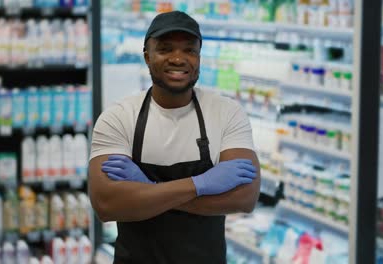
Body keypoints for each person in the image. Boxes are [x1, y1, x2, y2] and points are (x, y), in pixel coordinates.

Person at [88, 10, 261, 264]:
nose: (178, 59)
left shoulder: (226, 113)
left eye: (189, 50)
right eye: (165, 49)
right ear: (147, 56)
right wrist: (200, 185)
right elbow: (106, 205)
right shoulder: (119, 117)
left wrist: (147, 190)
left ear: (199, 58)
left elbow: (244, 197)